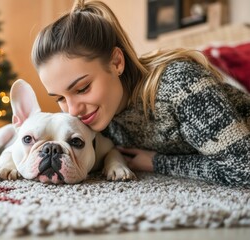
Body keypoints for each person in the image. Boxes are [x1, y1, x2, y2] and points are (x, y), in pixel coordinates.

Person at [31, 0, 250, 187]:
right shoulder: (100, 119)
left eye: (82, 88)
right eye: (60, 98)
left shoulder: (180, 85)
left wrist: (159, 163)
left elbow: (243, 168)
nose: (73, 110)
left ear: (117, 62)